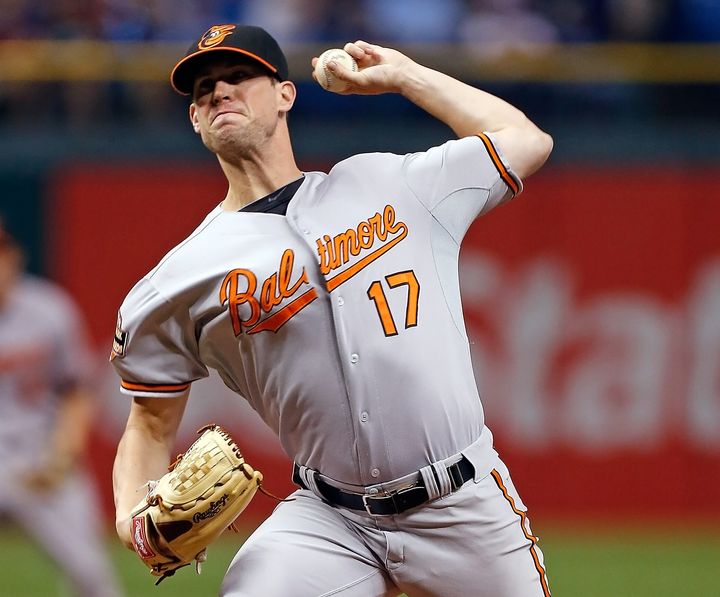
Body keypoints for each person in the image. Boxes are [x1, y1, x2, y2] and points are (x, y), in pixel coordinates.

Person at [111, 23, 553, 597]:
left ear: (286, 95)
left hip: (462, 502)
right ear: (195, 121)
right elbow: (148, 422)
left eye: (240, 76)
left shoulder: (388, 183)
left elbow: (525, 140)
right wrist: (130, 520)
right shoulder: (176, 280)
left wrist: (404, 76)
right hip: (330, 520)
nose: (219, 92)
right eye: (202, 90)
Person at [0, 220, 123, 597]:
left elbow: (76, 390)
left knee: (93, 577)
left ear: (15, 257)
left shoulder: (49, 310)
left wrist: (62, 454)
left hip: (40, 456)